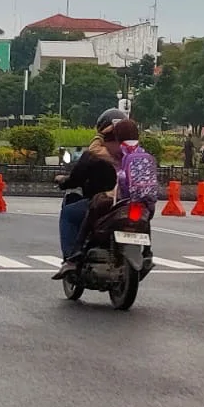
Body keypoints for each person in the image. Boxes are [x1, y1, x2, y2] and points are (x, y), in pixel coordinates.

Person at [51, 109, 127, 279]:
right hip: (133, 202)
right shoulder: (138, 154)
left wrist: (64, 181)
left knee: (69, 214)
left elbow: (76, 177)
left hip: (107, 201)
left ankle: (71, 258)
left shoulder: (95, 153)